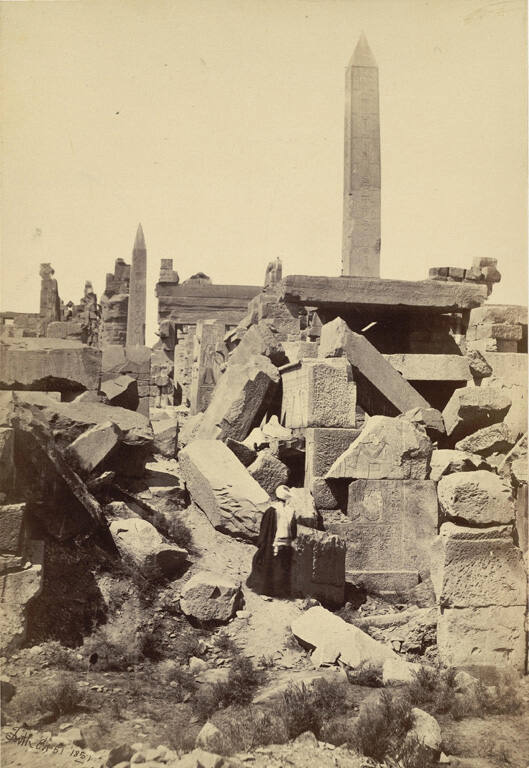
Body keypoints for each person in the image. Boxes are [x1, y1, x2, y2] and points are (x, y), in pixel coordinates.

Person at [247, 485, 297, 598]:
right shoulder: (291, 511)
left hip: (272, 542)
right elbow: (293, 531)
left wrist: (262, 542)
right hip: (287, 543)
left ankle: (266, 590)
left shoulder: (271, 510)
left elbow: (265, 528)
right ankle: (280, 592)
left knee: (266, 563)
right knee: (282, 566)